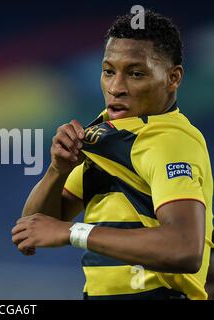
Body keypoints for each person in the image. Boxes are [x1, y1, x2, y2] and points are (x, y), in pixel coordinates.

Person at [11, 10, 214, 300]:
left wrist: (74, 232)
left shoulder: (169, 141)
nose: (116, 88)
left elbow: (183, 248)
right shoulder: (106, 131)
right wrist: (58, 170)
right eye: (108, 71)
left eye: (136, 73)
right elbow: (32, 229)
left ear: (173, 78)